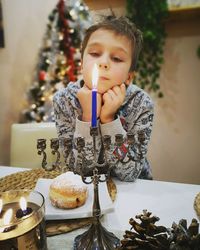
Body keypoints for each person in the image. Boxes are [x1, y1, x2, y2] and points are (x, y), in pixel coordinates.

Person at [53, 15, 154, 181]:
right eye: (94, 53)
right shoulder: (64, 101)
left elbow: (129, 174)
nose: (103, 62)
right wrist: (88, 117)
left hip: (134, 192)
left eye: (116, 58)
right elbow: (79, 170)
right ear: (81, 64)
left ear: (129, 77)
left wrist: (108, 120)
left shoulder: (142, 104)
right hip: (88, 189)